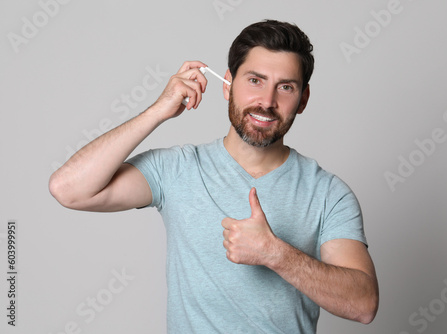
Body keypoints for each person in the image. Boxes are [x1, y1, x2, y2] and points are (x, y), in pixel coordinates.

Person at [49, 19, 379, 333]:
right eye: (254, 80)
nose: (266, 101)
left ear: (302, 99)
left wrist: (276, 254)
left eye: (286, 87)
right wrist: (158, 110)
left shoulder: (327, 192)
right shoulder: (177, 169)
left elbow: (363, 305)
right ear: (228, 85)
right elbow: (69, 189)